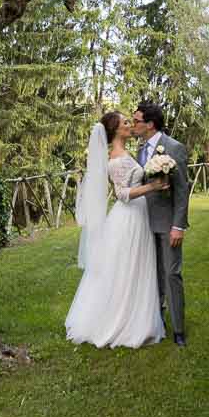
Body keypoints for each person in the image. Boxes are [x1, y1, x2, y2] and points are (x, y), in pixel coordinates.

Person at [65, 112, 167, 349]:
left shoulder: (124, 154)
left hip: (137, 215)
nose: (130, 126)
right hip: (129, 218)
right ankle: (124, 320)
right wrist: (152, 186)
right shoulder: (117, 159)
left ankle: (136, 312)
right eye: (125, 123)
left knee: (132, 267)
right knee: (128, 267)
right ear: (115, 131)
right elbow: (122, 194)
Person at [132, 103, 189, 347]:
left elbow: (182, 190)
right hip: (143, 223)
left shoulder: (174, 148)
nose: (133, 125)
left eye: (136, 121)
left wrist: (179, 225)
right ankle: (157, 321)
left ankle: (178, 329)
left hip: (167, 224)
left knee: (171, 273)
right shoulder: (140, 149)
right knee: (152, 275)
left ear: (150, 124)